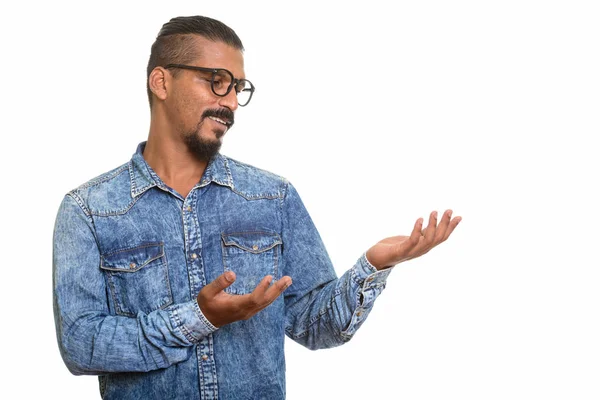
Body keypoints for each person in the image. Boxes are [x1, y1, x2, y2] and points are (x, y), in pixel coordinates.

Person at [52, 15, 461, 400]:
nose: (229, 102)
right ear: (161, 81)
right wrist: (199, 318)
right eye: (216, 81)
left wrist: (372, 265)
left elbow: (315, 326)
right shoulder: (88, 211)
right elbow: (81, 345)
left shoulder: (272, 197)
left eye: (237, 88)